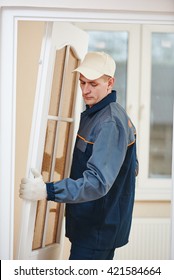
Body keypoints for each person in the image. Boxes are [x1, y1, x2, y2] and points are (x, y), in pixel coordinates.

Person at [19, 51, 138, 260]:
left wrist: (48, 191)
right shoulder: (96, 114)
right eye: (82, 82)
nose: (85, 90)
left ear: (110, 82)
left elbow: (98, 182)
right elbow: (130, 167)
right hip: (90, 224)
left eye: (92, 83)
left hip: (96, 230)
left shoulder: (109, 122)